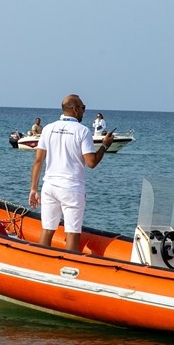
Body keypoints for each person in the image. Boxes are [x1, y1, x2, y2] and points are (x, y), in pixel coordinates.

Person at [29, 94, 114, 252]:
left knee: (47, 231)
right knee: (72, 235)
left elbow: (38, 161)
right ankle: (68, 266)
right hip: (72, 188)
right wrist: (105, 146)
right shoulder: (83, 131)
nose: (84, 111)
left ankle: (40, 262)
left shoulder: (48, 128)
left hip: (49, 186)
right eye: (83, 108)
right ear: (75, 109)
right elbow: (91, 162)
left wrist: (33, 189)